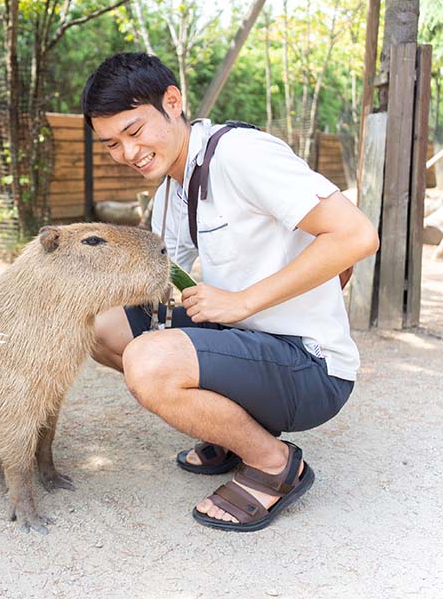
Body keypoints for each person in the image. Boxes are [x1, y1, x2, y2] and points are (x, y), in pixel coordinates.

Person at [82, 53, 379, 531]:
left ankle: (273, 463)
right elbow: (158, 275)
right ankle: (226, 430)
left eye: (135, 132)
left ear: (172, 102)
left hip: (309, 365)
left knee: (149, 361)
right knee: (102, 326)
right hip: (245, 341)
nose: (128, 153)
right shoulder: (171, 191)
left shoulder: (241, 154)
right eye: (112, 144)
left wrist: (243, 301)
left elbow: (357, 236)